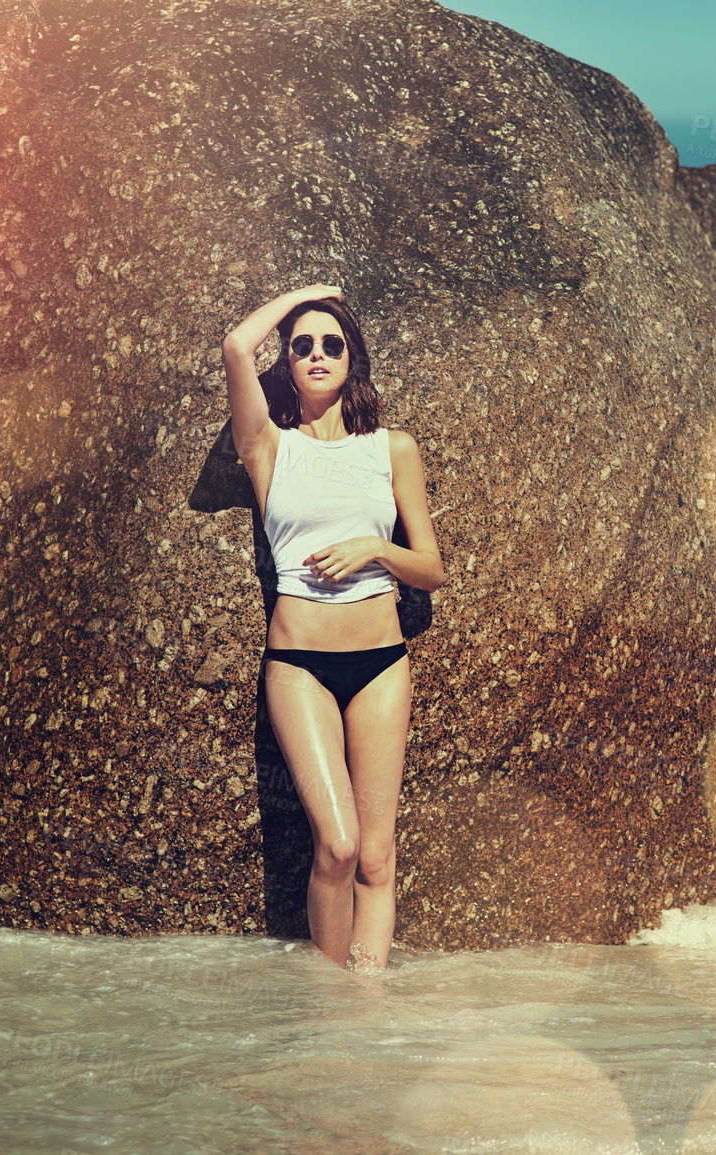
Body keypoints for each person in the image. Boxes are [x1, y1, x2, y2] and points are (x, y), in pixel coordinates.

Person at [222, 285, 445, 973]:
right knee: (339, 845)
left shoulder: (392, 448)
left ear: (353, 360)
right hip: (299, 665)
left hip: (380, 662)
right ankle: (326, 1001)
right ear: (287, 362)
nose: (317, 355)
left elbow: (431, 568)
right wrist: (307, 296)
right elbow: (234, 347)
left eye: (332, 344)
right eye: (302, 346)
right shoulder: (267, 447)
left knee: (377, 855)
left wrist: (374, 548)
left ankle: (367, 1011)